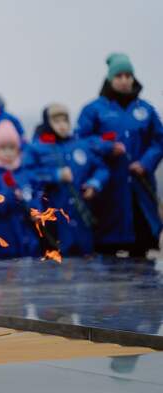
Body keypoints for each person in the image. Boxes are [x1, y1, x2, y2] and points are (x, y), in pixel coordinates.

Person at [76, 53, 163, 257]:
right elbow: (81, 141)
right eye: (119, 76)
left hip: (139, 187)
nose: (124, 80)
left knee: (142, 248)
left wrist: (145, 163)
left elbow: (159, 141)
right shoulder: (93, 110)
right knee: (106, 249)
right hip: (108, 188)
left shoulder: (146, 110)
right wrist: (106, 147)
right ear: (110, 79)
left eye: (128, 76)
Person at [25, 104, 109, 255]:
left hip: (80, 215)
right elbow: (28, 175)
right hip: (53, 215)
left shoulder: (82, 146)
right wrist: (55, 175)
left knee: (85, 257)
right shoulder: (36, 148)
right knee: (55, 257)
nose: (62, 125)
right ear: (47, 123)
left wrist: (94, 184)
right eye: (56, 121)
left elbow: (101, 168)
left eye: (65, 121)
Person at [0, 120, 41, 259]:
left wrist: (35, 210)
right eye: (3, 148)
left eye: (12, 148)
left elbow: (35, 193)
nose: (8, 152)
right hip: (1, 233)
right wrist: (9, 196)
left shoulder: (24, 173)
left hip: (26, 235)